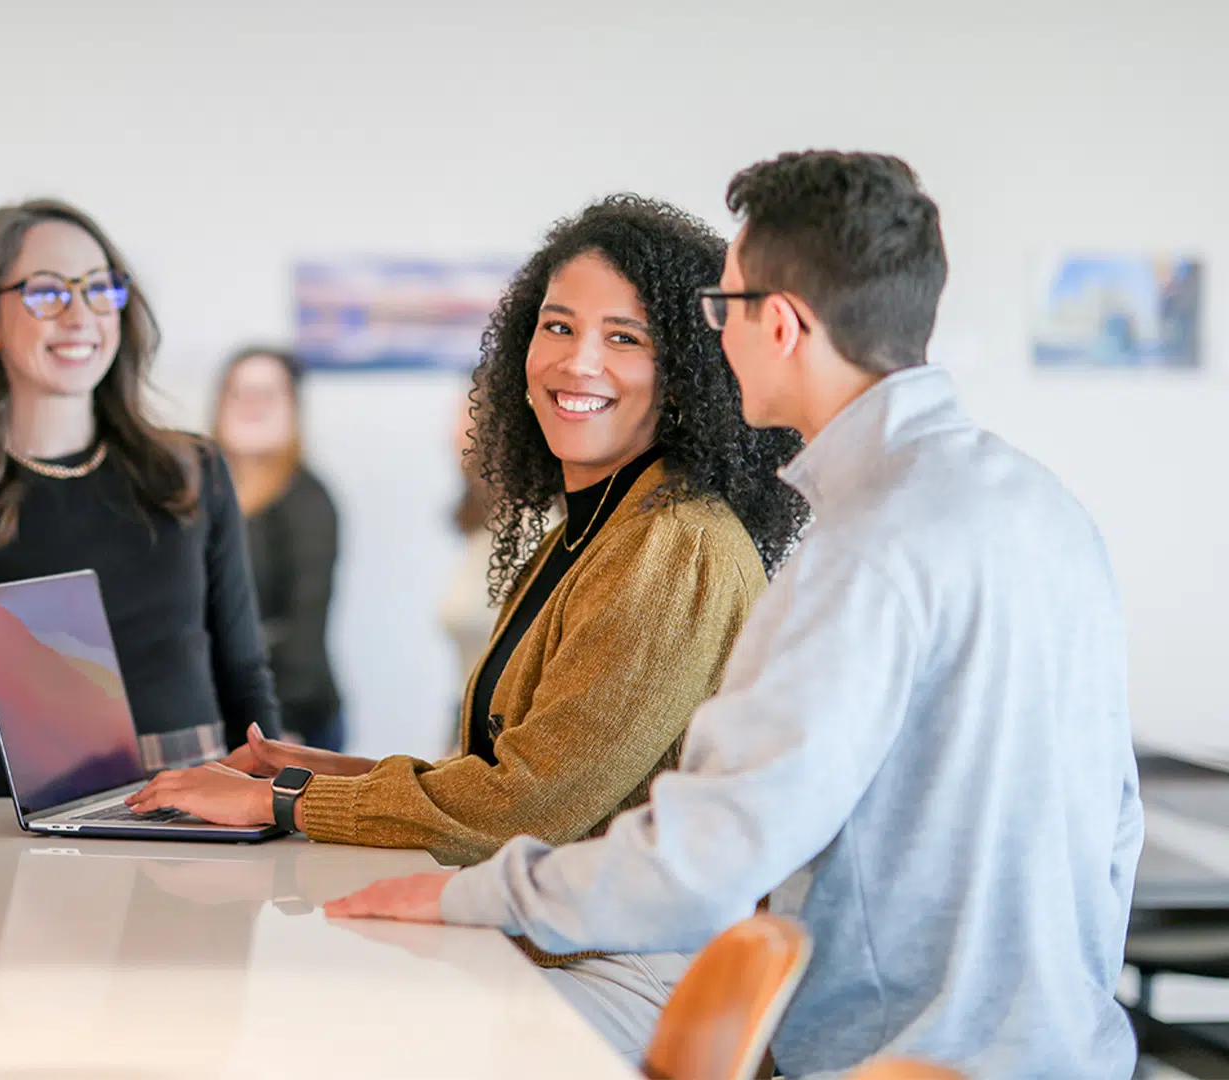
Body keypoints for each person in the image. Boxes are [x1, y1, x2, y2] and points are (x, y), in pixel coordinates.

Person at [327, 152, 1144, 1078]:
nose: (710, 337)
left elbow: (705, 854)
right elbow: (1117, 821)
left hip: (896, 1061)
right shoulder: (1044, 507)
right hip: (1069, 1052)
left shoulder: (866, 545)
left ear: (783, 326)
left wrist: (463, 900)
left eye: (723, 309)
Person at [129, 195, 806, 876]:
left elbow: (527, 808)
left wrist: (282, 801)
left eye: (625, 337)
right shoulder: (592, 530)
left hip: (614, 962)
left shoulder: (676, 544)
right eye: (559, 326)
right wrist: (322, 777)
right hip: (548, 933)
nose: (578, 362)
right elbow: (508, 773)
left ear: (686, 372)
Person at [0, 199, 281, 798]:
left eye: (99, 289)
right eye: (46, 293)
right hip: (57, 850)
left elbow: (246, 682)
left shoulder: (193, 472)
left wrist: (272, 805)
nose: (80, 315)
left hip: (213, 838)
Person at [212, 346, 343, 750]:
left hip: (291, 722)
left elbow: (305, 626)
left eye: (268, 394)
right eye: (240, 392)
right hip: (219, 719)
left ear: (293, 408)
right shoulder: (198, 495)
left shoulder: (308, 500)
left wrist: (283, 728)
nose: (252, 405)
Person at [438, 394, 499, 753]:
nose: (451, 435)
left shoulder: (535, 530)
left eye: (469, 417)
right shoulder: (484, 527)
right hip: (466, 722)